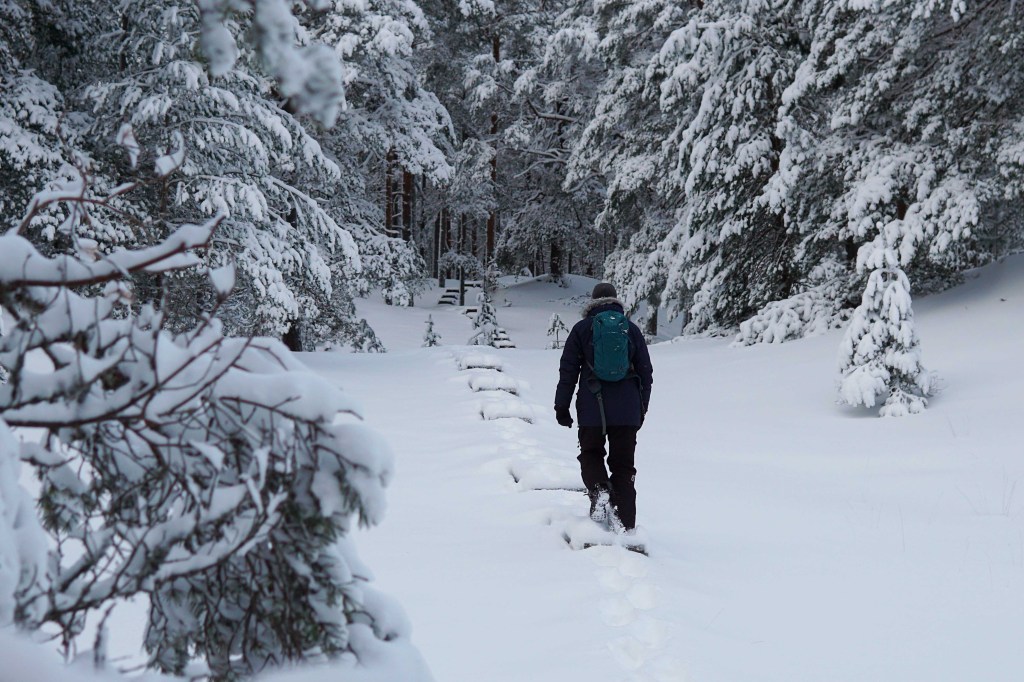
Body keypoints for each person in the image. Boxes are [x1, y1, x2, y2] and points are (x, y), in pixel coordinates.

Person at [554, 282, 653, 532]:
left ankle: (598, 489)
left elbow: (568, 372)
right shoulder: (630, 329)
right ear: (616, 301)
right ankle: (625, 525)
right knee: (623, 465)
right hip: (627, 411)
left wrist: (561, 407)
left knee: (591, 454)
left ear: (593, 301)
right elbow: (646, 372)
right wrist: (641, 409)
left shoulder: (581, 329)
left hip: (591, 409)